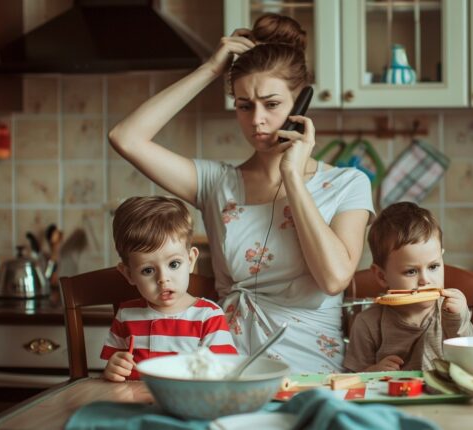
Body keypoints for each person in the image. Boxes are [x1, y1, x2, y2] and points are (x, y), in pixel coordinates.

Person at [108, 14, 373, 373]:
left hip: (308, 368)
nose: (257, 120)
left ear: (301, 103)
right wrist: (210, 70)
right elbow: (125, 138)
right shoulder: (217, 182)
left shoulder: (348, 183)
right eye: (245, 105)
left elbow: (334, 278)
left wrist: (292, 177)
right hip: (222, 363)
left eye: (272, 104)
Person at [101, 196, 237, 382]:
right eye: (148, 270)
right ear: (129, 274)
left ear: (190, 260)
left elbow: (225, 372)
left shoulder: (208, 316)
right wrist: (113, 369)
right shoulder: (126, 315)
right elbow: (112, 371)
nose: (163, 279)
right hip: (136, 405)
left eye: (173, 264)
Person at [343, 202, 473, 373]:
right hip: (390, 398)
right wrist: (373, 372)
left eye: (433, 266)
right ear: (381, 276)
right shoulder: (367, 323)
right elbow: (353, 379)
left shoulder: (452, 310)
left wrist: (458, 319)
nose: (425, 280)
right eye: (411, 271)